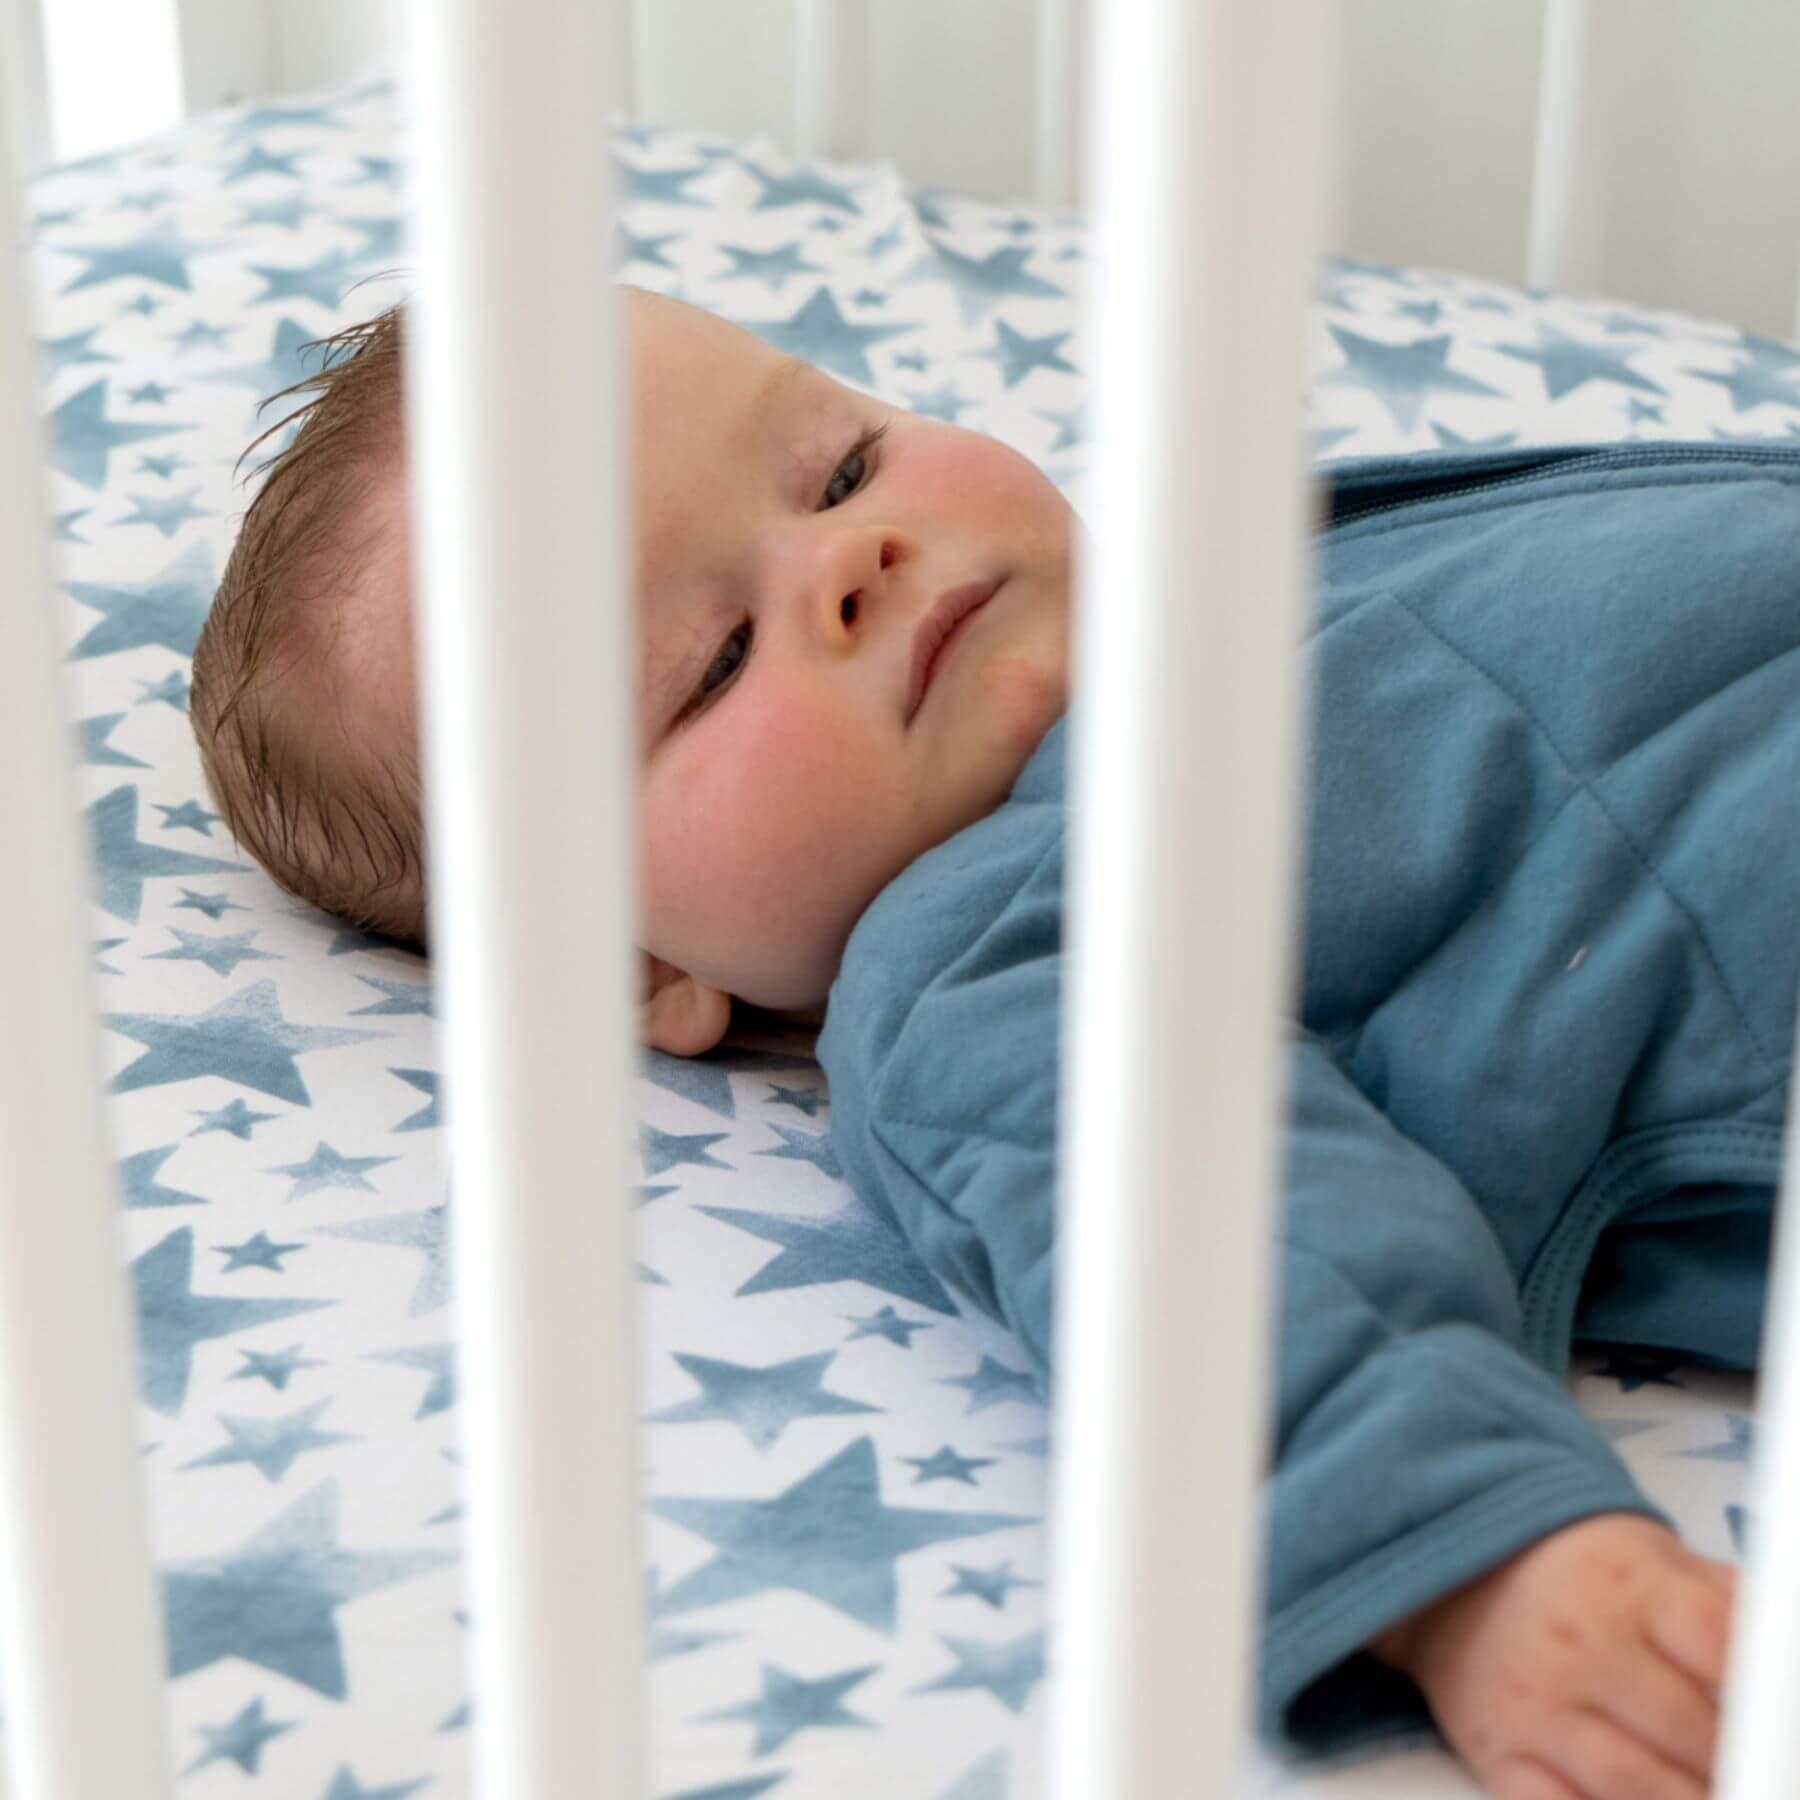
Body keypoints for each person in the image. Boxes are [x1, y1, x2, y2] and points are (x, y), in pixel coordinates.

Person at [191, 282, 1797, 1799]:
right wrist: (1470, 1556)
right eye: (719, 663)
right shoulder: (971, 955)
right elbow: (1188, 1204)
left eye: (844, 461)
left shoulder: (1213, 571)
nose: (854, 556)